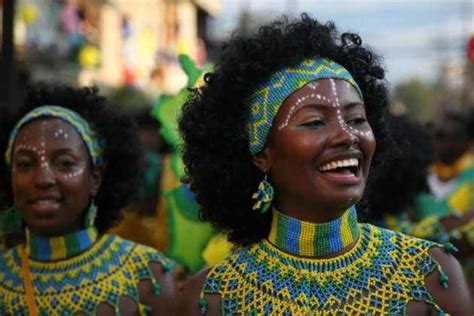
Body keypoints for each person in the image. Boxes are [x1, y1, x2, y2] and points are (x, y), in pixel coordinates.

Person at [177, 14, 472, 314]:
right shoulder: (211, 297)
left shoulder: (431, 278)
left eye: (357, 119)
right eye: (314, 122)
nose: (347, 135)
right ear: (261, 154)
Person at [0, 85, 176, 315]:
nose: (43, 179)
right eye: (25, 164)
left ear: (95, 178)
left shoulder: (146, 275)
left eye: (64, 163)